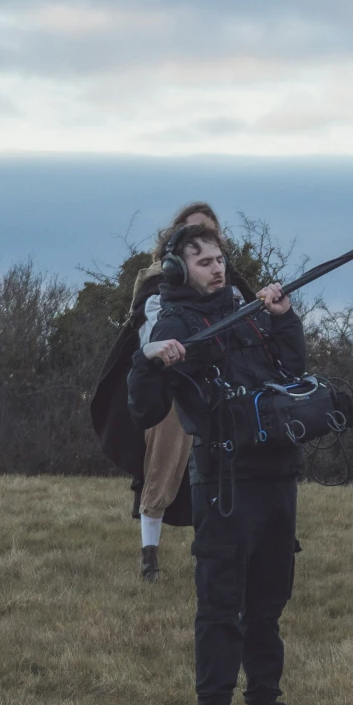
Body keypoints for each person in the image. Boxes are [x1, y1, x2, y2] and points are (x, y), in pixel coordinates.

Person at [127, 225, 305, 705]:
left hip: (278, 473)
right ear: (180, 269)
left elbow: (293, 372)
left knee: (270, 598)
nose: (218, 268)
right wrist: (150, 360)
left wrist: (284, 317)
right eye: (204, 261)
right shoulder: (172, 322)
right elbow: (144, 408)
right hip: (225, 480)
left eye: (220, 259)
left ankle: (267, 700)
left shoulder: (246, 312)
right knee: (222, 601)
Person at [91, 201, 223, 581]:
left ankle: (220, 549)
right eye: (193, 233)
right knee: (164, 463)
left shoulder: (223, 280)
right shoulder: (156, 281)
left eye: (210, 235)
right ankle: (150, 554)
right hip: (172, 386)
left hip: (217, 389)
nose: (205, 247)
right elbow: (150, 333)